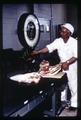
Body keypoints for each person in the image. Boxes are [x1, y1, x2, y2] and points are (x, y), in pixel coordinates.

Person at [31, 23, 78, 111]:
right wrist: (38, 52)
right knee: (62, 82)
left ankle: (74, 104)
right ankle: (63, 101)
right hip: (62, 64)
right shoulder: (58, 41)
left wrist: (67, 62)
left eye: (64, 31)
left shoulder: (75, 42)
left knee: (73, 85)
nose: (61, 33)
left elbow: (76, 56)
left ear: (69, 33)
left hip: (72, 65)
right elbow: (48, 48)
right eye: (61, 31)